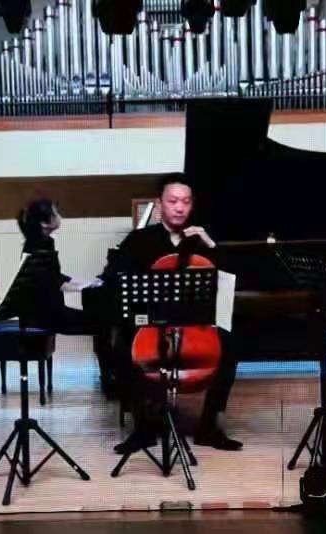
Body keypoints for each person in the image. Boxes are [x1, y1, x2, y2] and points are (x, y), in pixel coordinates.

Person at [100, 173, 243, 454]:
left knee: (230, 346)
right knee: (122, 347)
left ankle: (208, 427)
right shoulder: (139, 240)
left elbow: (229, 279)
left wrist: (211, 245)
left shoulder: (201, 239)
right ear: (160, 204)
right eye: (173, 201)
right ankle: (142, 428)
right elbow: (114, 279)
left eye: (186, 202)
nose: (180, 208)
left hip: (196, 323)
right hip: (153, 323)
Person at [16, 198, 102, 335]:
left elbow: (54, 276)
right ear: (44, 223)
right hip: (44, 317)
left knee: (99, 321)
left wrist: (84, 283)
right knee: (102, 323)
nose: (60, 217)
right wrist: (82, 286)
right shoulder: (39, 246)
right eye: (56, 214)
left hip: (46, 312)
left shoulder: (41, 242)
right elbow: (53, 282)